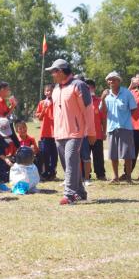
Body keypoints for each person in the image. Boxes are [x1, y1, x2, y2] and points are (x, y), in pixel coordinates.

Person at [46, 59, 95, 205]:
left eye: (53, 72)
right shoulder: (56, 88)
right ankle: (80, 192)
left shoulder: (79, 85)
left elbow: (88, 110)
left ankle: (69, 194)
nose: (52, 75)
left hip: (76, 132)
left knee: (71, 162)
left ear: (60, 71)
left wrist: (91, 132)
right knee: (68, 165)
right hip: (59, 133)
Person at [101, 71, 137, 184]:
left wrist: (125, 117)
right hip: (112, 128)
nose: (111, 81)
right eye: (109, 80)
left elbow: (133, 108)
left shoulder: (127, 93)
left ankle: (128, 177)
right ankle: (115, 177)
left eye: (114, 79)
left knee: (127, 154)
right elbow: (102, 111)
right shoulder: (106, 95)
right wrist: (102, 98)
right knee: (113, 155)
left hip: (125, 127)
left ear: (119, 81)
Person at [85, 79, 107, 181]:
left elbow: (103, 118)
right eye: (86, 88)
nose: (88, 90)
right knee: (85, 156)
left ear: (94, 88)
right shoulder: (82, 101)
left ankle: (100, 174)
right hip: (84, 134)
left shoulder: (99, 101)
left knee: (98, 155)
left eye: (90, 88)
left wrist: (104, 132)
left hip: (97, 134)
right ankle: (86, 175)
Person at [35, 84, 58, 180]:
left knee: (54, 155)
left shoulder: (57, 102)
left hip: (56, 133)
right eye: (47, 91)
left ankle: (52, 173)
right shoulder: (42, 103)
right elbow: (39, 118)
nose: (49, 92)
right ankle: (45, 172)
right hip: (45, 133)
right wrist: (44, 108)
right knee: (45, 154)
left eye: (51, 91)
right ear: (44, 92)